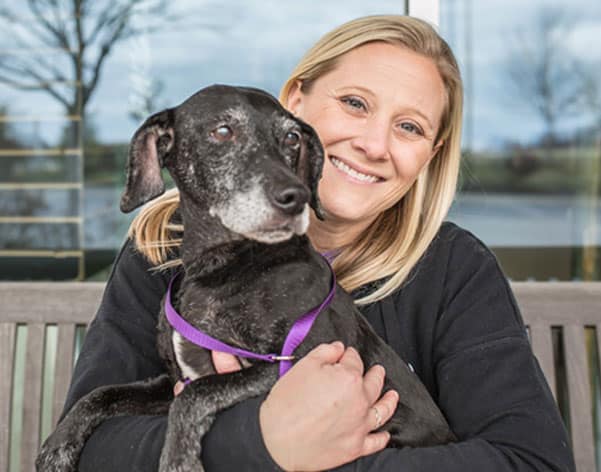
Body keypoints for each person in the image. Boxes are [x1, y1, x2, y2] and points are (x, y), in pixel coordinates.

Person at [62, 15, 575, 471]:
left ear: (431, 155)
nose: (374, 145)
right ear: (294, 102)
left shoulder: (454, 271)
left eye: (409, 127)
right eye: (354, 103)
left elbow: (531, 460)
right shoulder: (165, 248)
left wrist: (320, 455)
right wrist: (255, 444)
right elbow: (90, 450)